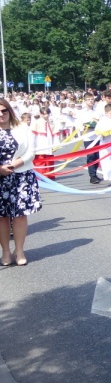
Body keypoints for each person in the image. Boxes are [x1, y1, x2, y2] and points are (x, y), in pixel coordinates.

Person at [0, 98, 40, 267]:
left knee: (19, 215)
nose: (1, 114)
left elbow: (31, 151)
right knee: (2, 216)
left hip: (21, 175)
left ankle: (20, 250)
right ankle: (6, 252)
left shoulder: (22, 128)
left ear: (10, 111)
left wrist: (16, 164)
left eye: (4, 110)